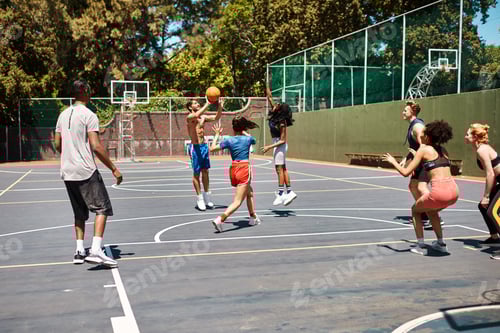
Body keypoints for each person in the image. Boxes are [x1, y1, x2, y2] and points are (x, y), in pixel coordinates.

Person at [55, 80, 122, 267]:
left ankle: (78, 251)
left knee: (79, 212)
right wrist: (114, 168)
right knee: (102, 208)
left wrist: (70, 151)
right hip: (85, 170)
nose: (92, 92)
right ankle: (95, 250)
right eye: (90, 89)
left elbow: (57, 144)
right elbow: (96, 146)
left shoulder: (62, 115)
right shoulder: (89, 115)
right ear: (84, 91)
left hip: (67, 171)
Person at [383, 120, 459, 255]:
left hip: (440, 193)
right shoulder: (443, 150)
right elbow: (434, 168)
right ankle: (441, 243)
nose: (421, 135)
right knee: (431, 210)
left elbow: (405, 173)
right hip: (454, 193)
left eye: (423, 134)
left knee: (415, 211)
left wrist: (393, 161)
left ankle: (421, 245)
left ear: (428, 137)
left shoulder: (423, 150)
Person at [210, 117, 260, 232]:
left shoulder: (229, 140)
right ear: (243, 128)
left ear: (233, 128)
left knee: (249, 192)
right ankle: (220, 219)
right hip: (244, 168)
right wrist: (244, 131)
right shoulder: (248, 139)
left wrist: (217, 134)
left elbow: (212, 148)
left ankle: (252, 217)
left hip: (233, 169)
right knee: (237, 201)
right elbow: (253, 140)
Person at [464, 124, 500, 259]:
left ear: (474, 137)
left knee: (492, 211)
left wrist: (486, 196)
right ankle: (494, 237)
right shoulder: (479, 149)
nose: (465, 136)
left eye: (467, 134)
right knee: (482, 206)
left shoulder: (482, 150)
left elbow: (490, 174)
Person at [261, 87, 297, 206]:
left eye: (278, 105)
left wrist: (269, 147)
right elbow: (270, 98)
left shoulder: (282, 122)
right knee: (283, 169)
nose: (275, 104)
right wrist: (267, 90)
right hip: (277, 144)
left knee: (279, 169)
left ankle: (281, 194)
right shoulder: (276, 115)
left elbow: (283, 140)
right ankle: (290, 192)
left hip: (280, 145)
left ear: (280, 110)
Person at [186, 97, 223, 210]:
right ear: (190, 107)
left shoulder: (203, 117)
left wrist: (220, 106)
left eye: (198, 103)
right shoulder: (190, 117)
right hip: (195, 147)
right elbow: (196, 115)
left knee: (205, 172)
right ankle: (200, 199)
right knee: (196, 174)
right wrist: (209, 103)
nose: (197, 104)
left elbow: (216, 117)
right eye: (195, 103)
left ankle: (207, 197)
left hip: (203, 147)